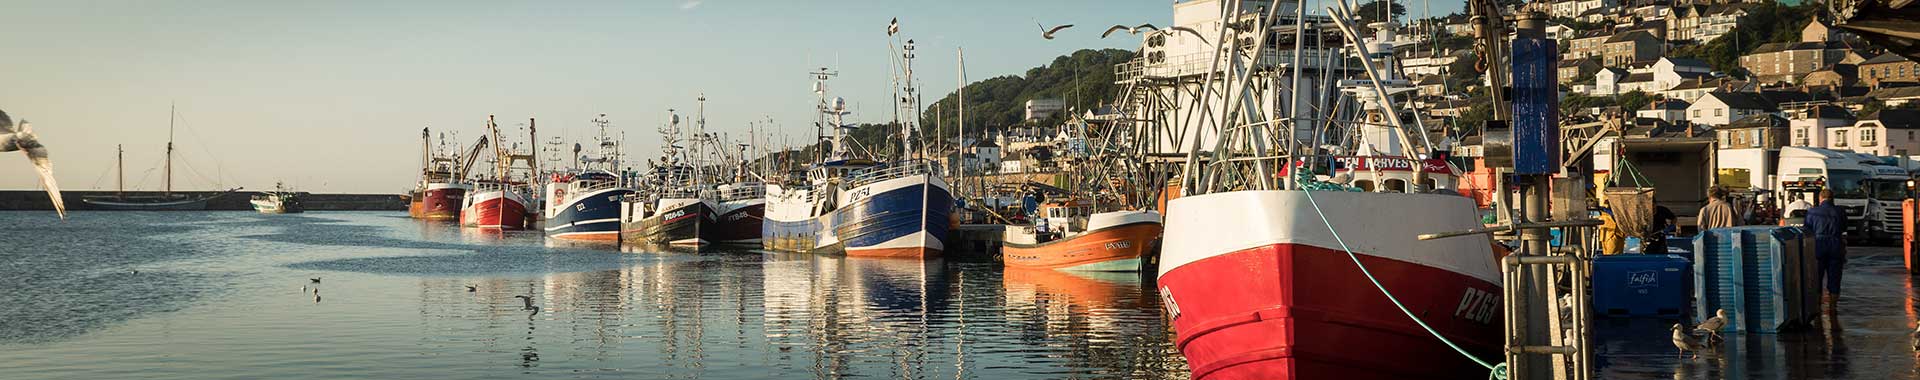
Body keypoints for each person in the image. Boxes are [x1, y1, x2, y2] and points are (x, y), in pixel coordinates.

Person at [1804, 189, 1848, 309]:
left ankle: (1817, 306)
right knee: (1834, 278)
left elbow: (1807, 230)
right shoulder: (1840, 211)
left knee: (1817, 277)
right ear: (1833, 198)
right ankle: (1833, 307)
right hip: (1835, 245)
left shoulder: (1812, 212)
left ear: (1820, 198)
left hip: (1818, 245)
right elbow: (1844, 227)